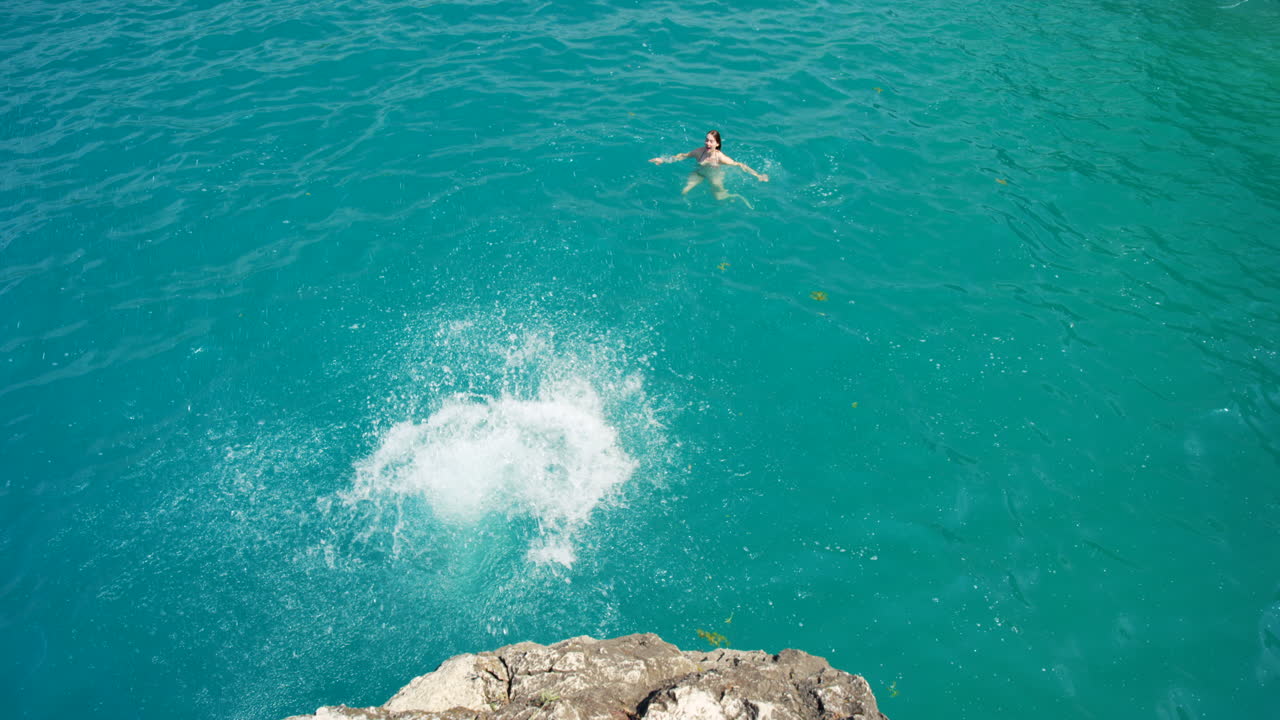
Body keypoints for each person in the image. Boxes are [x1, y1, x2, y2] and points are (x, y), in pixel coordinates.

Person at [649, 130, 769, 207]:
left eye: (711, 141)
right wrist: (663, 160)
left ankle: (735, 196)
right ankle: (688, 206)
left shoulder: (721, 158)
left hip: (714, 175)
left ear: (717, 144)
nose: (707, 143)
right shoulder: (699, 152)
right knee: (684, 191)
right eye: (706, 140)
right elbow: (682, 156)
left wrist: (758, 175)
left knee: (718, 197)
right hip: (699, 173)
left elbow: (740, 165)